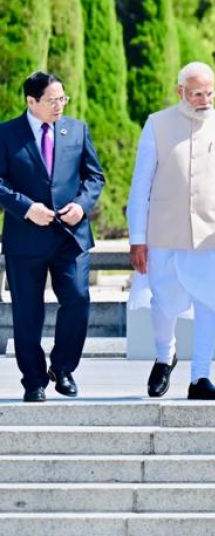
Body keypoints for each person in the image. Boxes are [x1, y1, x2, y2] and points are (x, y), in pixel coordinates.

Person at [126, 62, 215, 400]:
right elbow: (141, 186)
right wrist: (137, 238)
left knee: (209, 302)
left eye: (209, 92)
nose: (204, 99)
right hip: (164, 234)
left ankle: (201, 376)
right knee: (163, 305)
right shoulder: (157, 124)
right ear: (179, 91)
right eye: (196, 93)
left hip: (214, 235)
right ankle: (165, 355)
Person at [0, 72, 104, 402]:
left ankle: (63, 368)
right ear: (31, 102)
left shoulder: (77, 129)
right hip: (25, 237)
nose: (59, 105)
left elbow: (94, 177)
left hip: (70, 236)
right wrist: (26, 208)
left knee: (77, 298)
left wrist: (81, 205)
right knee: (27, 311)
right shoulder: (6, 134)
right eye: (52, 100)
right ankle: (33, 380)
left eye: (63, 99)